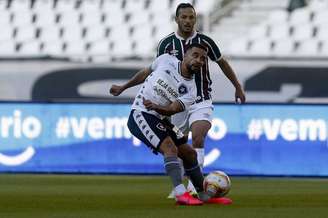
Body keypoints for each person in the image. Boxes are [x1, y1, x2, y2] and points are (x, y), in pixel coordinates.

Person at [110, 3, 246, 196]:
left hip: (199, 98)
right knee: (179, 148)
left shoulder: (206, 42)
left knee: (197, 138)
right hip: (170, 104)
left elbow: (222, 62)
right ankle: (185, 188)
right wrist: (126, 88)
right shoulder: (166, 49)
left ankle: (192, 190)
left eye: (192, 17)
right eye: (184, 17)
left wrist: (237, 86)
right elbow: (153, 73)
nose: (188, 21)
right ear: (177, 19)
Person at [123, 43, 231, 206]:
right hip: (140, 113)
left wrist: (157, 107)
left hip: (161, 118)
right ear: (185, 55)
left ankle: (202, 194)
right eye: (195, 55)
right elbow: (145, 72)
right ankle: (180, 194)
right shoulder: (165, 60)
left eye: (203, 59)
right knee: (170, 149)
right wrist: (123, 87)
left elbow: (172, 109)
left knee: (189, 153)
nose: (199, 60)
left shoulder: (191, 89)